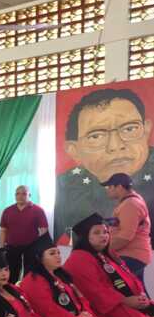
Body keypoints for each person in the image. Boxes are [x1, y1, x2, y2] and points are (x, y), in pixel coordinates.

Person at [54, 87, 154, 238]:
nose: (115, 146)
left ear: (146, 130)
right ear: (74, 150)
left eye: (129, 129)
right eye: (96, 136)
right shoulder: (67, 186)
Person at [102, 172, 151, 285]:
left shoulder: (130, 205)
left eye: (109, 187)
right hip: (134, 255)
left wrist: (104, 249)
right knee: (136, 290)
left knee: (120, 287)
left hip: (130, 256)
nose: (107, 190)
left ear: (119, 187)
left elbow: (125, 237)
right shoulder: (130, 202)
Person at [0, 186, 49, 283]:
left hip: (31, 247)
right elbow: (3, 230)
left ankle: (27, 290)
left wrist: (42, 248)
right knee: (11, 273)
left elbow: (44, 230)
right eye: (17, 194)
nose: (20, 196)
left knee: (30, 273)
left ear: (29, 195)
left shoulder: (38, 210)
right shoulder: (7, 211)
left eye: (24, 194)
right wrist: (2, 248)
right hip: (12, 247)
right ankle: (11, 290)